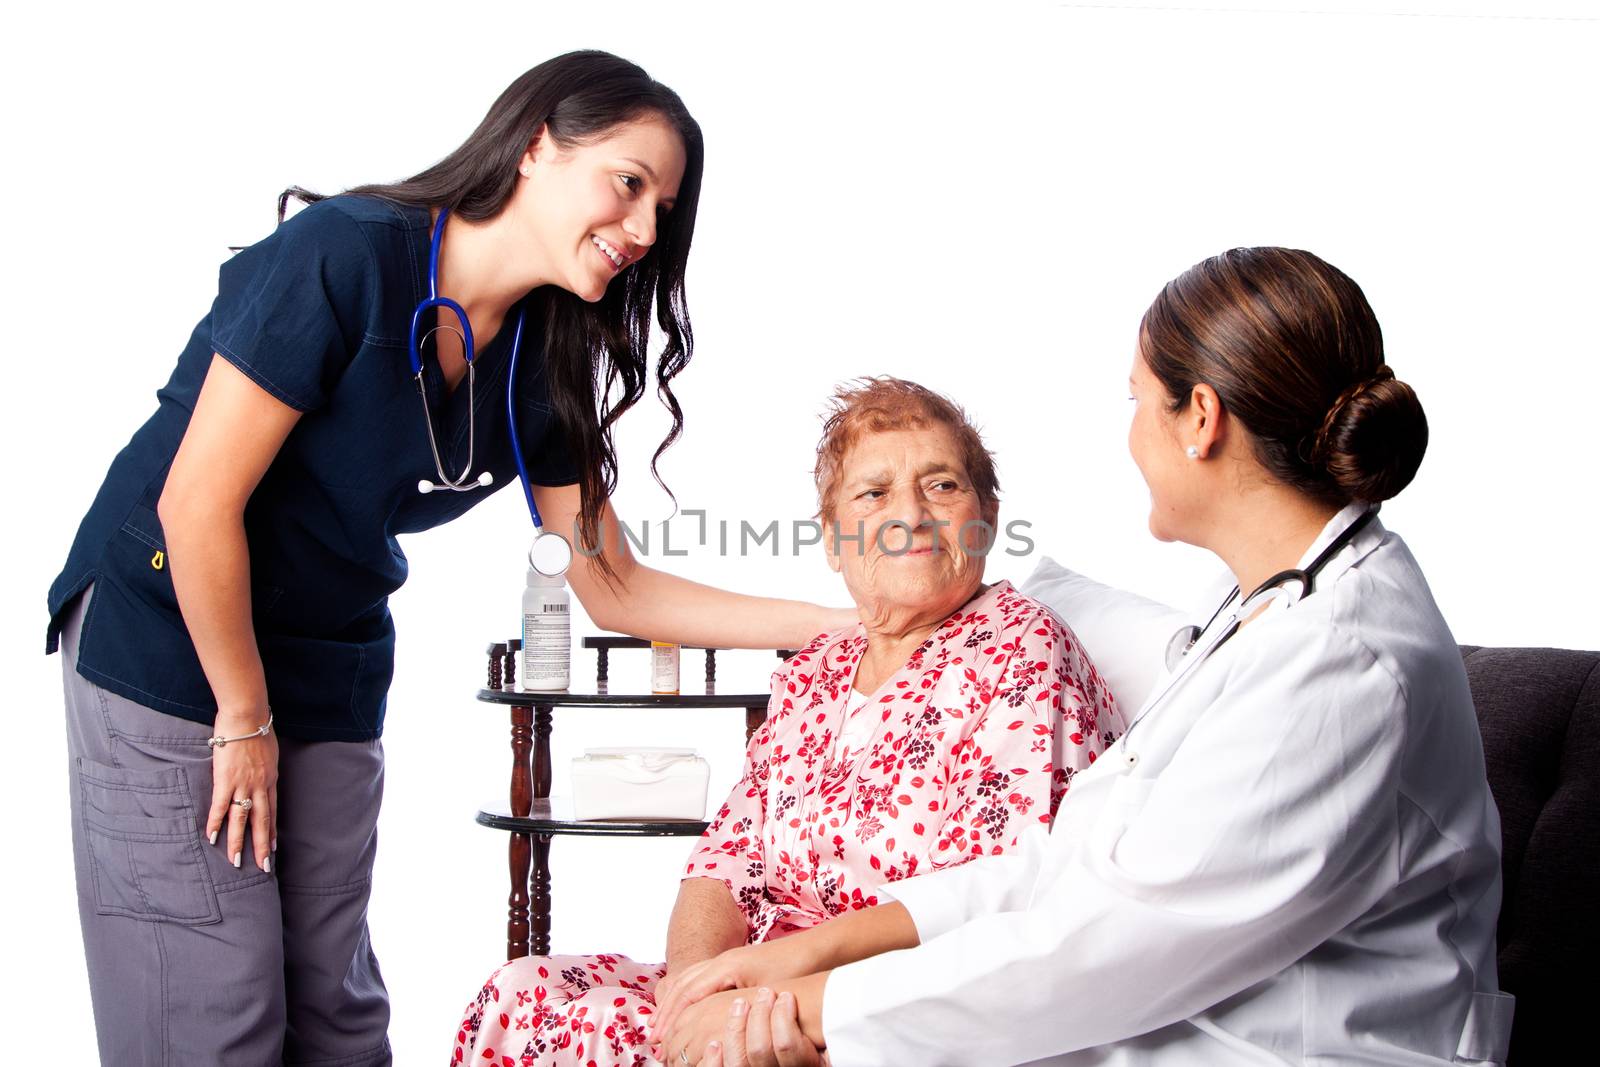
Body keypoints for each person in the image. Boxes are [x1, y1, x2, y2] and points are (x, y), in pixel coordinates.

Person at [47, 51, 858, 1067]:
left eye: (665, 206)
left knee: (336, 1013)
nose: (646, 230)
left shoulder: (548, 351)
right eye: (628, 181)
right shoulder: (347, 255)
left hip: (327, 653)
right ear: (533, 147)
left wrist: (847, 624)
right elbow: (196, 501)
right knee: (214, 1010)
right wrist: (240, 716)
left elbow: (615, 585)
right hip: (174, 641)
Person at [652, 248, 1513, 1066]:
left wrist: (806, 1008)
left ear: (1200, 420)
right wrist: (804, 957)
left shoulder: (1340, 664)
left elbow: (1096, 948)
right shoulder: (1273, 607)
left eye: (1137, 400)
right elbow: (1072, 866)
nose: (1132, 434)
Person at [451, 377, 1123, 1066]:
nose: (910, 516)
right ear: (834, 541)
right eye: (873, 493)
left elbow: (982, 908)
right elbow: (724, 862)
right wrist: (692, 987)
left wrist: (756, 1006)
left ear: (987, 514)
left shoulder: (1020, 649)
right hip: (749, 987)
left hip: (874, 1013)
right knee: (517, 993)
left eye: (942, 485)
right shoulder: (815, 671)